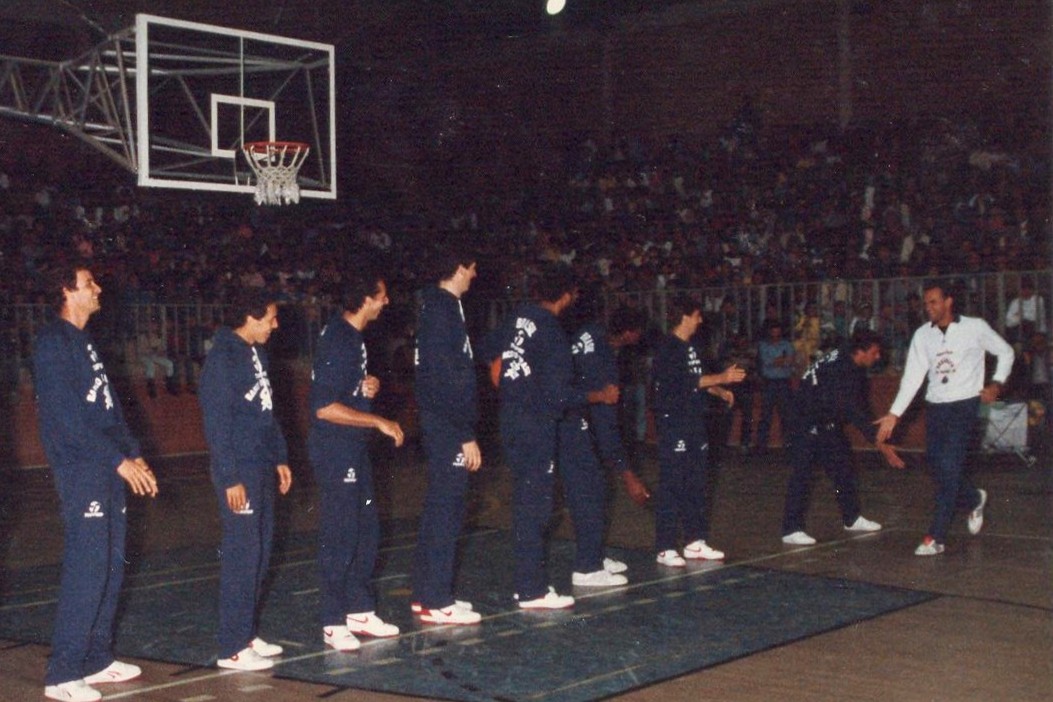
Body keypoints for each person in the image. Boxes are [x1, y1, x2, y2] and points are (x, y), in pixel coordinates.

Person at [34, 262, 158, 702]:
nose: (98, 288)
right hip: (82, 468)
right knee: (88, 568)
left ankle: (97, 659)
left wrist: (133, 452)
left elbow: (108, 411)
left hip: (106, 465)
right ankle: (63, 673)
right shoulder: (52, 342)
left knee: (110, 562)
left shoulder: (85, 342)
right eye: (89, 284)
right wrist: (116, 461)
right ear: (68, 292)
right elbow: (69, 419)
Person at [495, 263, 615, 609]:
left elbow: (494, 356)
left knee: (525, 504)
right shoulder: (553, 332)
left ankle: (527, 584)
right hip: (536, 426)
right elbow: (561, 396)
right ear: (566, 296)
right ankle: (531, 589)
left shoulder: (518, 317)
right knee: (536, 508)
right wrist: (597, 396)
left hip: (512, 420)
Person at [876, 281, 1014, 556]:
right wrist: (894, 414)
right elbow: (912, 378)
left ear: (949, 302)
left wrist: (996, 384)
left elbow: (1006, 352)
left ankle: (935, 537)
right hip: (936, 408)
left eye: (934, 302)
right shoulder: (922, 336)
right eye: (926, 303)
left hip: (965, 406)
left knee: (949, 468)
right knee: (939, 469)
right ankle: (975, 498)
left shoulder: (975, 327)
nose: (929, 308)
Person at [309, 271, 404, 650]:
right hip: (335, 450)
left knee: (367, 530)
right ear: (366, 298)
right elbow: (323, 408)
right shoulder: (338, 340)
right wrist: (378, 419)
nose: (386, 302)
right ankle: (333, 619)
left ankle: (359, 609)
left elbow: (343, 392)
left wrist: (366, 387)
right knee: (341, 534)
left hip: (353, 448)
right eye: (382, 294)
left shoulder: (352, 338)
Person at [198, 288, 292, 671]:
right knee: (242, 554)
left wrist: (280, 456)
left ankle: (247, 633)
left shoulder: (257, 354)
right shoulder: (222, 359)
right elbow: (216, 424)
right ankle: (232, 647)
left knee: (261, 550)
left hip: (260, 465)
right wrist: (229, 476)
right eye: (270, 317)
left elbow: (266, 414)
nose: (275, 324)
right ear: (250, 319)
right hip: (238, 470)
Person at [410, 247, 484, 625]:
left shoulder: (442, 307)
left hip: (442, 423)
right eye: (471, 268)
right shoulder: (441, 310)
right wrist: (463, 433)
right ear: (459, 267)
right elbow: (442, 380)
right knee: (448, 509)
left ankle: (426, 595)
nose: (474, 274)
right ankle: (437, 600)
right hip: (446, 425)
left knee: (441, 507)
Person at [781, 330, 906, 546]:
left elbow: (859, 406)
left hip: (826, 421)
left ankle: (852, 518)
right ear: (861, 351)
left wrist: (876, 433)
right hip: (804, 420)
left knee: (843, 468)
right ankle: (791, 529)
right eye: (875, 353)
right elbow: (851, 409)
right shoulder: (842, 369)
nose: (878, 357)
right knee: (802, 473)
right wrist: (878, 442)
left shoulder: (852, 364)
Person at [557, 304, 647, 589]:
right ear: (631, 333)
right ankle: (587, 567)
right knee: (591, 491)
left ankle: (593, 554)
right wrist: (627, 473)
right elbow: (605, 422)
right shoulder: (604, 360)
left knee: (594, 490)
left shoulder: (590, 334)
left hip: (569, 417)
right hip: (571, 422)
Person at [651, 296, 746, 567]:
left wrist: (720, 390)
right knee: (673, 483)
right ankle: (665, 546)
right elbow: (683, 381)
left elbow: (698, 378)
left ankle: (695, 541)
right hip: (674, 421)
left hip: (694, 420)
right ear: (685, 317)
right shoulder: (668, 347)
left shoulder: (691, 347)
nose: (700, 320)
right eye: (697, 315)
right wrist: (722, 378)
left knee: (697, 482)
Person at [754, 318, 794, 454]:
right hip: (769, 382)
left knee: (786, 415)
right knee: (766, 414)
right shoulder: (763, 345)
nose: (776, 331)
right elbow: (766, 362)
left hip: (783, 381)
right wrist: (781, 360)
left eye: (778, 329)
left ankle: (788, 444)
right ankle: (761, 445)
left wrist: (776, 361)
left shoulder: (787, 344)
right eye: (773, 329)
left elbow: (789, 361)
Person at [1005, 278, 1048, 345]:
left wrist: (1018, 315)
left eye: (1028, 289)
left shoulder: (1038, 300)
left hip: (1037, 330)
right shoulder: (1015, 302)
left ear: (1032, 290)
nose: (1026, 291)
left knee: (1027, 325)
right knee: (1011, 330)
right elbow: (1008, 321)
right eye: (1023, 289)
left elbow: (1033, 317)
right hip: (1019, 329)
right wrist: (1021, 318)